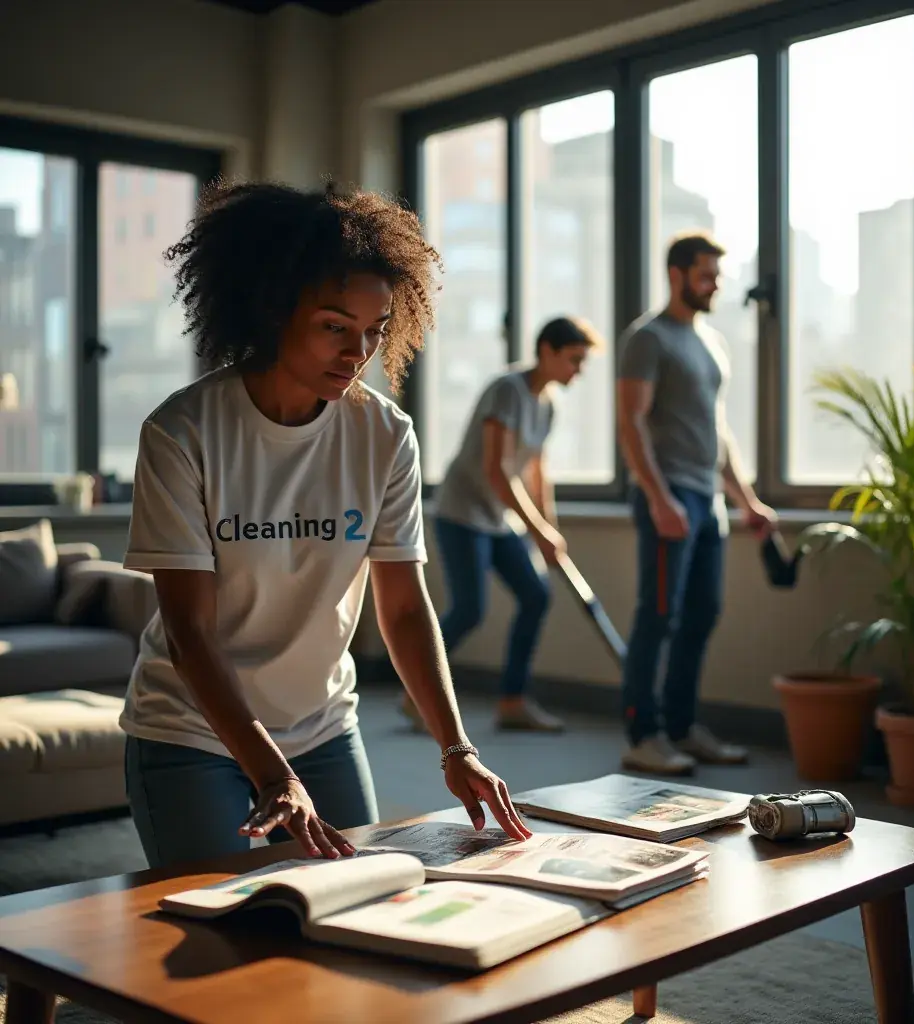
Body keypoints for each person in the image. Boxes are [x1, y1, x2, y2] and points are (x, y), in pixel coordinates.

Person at [120, 180, 532, 870]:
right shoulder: (182, 432)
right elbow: (189, 631)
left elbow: (403, 609)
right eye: (334, 326)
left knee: (359, 913)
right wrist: (273, 774)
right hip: (193, 733)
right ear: (273, 311)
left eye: (374, 331)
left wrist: (456, 746)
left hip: (323, 729)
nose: (358, 352)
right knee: (223, 935)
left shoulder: (384, 434)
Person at [616, 231, 776, 775]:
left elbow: (716, 429)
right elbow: (631, 422)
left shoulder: (711, 341)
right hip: (669, 495)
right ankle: (643, 733)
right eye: (706, 275)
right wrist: (659, 498)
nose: (715, 285)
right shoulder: (648, 338)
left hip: (707, 499)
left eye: (717, 275)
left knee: (702, 615)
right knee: (657, 616)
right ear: (677, 274)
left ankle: (682, 727)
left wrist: (747, 500)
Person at [401, 317, 602, 734]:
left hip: (497, 518)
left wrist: (550, 528)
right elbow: (498, 470)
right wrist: (537, 530)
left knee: (535, 594)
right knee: (470, 610)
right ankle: (416, 692)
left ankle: (512, 700)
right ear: (546, 350)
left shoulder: (548, 403)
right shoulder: (507, 390)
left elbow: (536, 471)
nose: (578, 371)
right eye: (574, 360)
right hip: (461, 513)